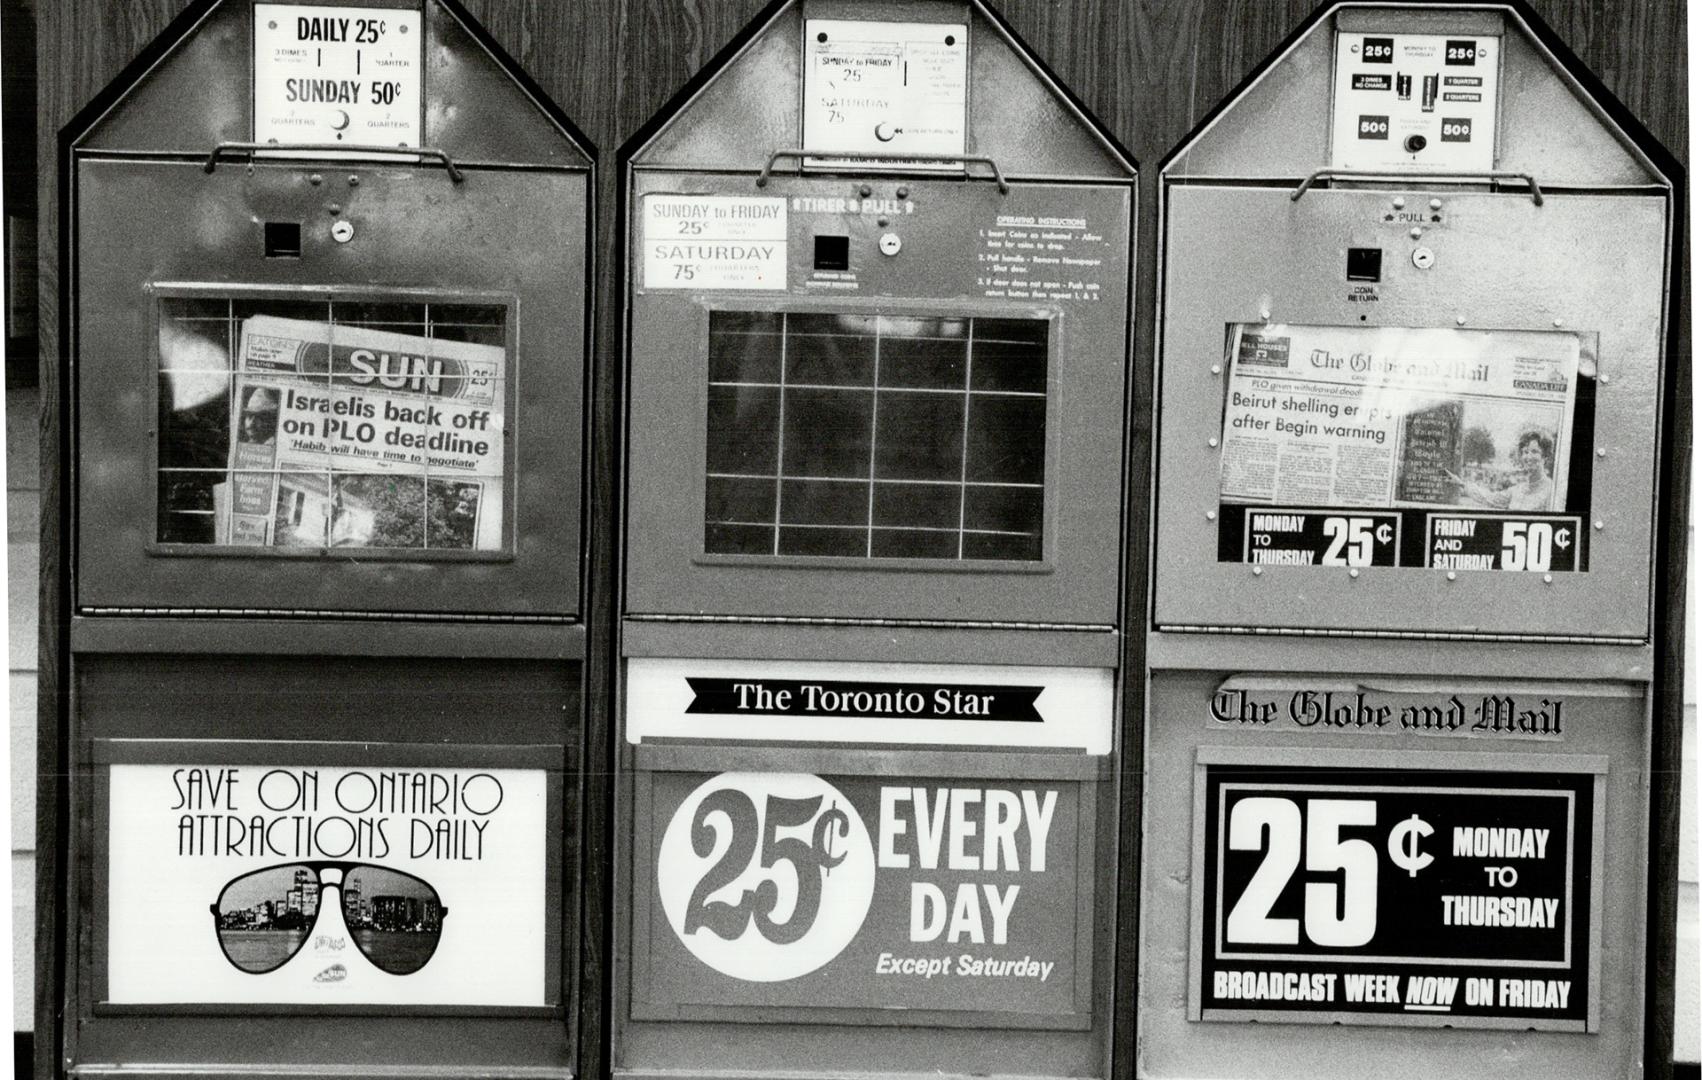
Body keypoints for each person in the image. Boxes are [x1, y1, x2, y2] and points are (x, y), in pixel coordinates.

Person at [1453, 430, 1556, 511]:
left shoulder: (1553, 492)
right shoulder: (1516, 490)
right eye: (1525, 452)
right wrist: (1462, 484)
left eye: (1534, 451)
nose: (1528, 457)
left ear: (1545, 456)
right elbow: (1489, 498)